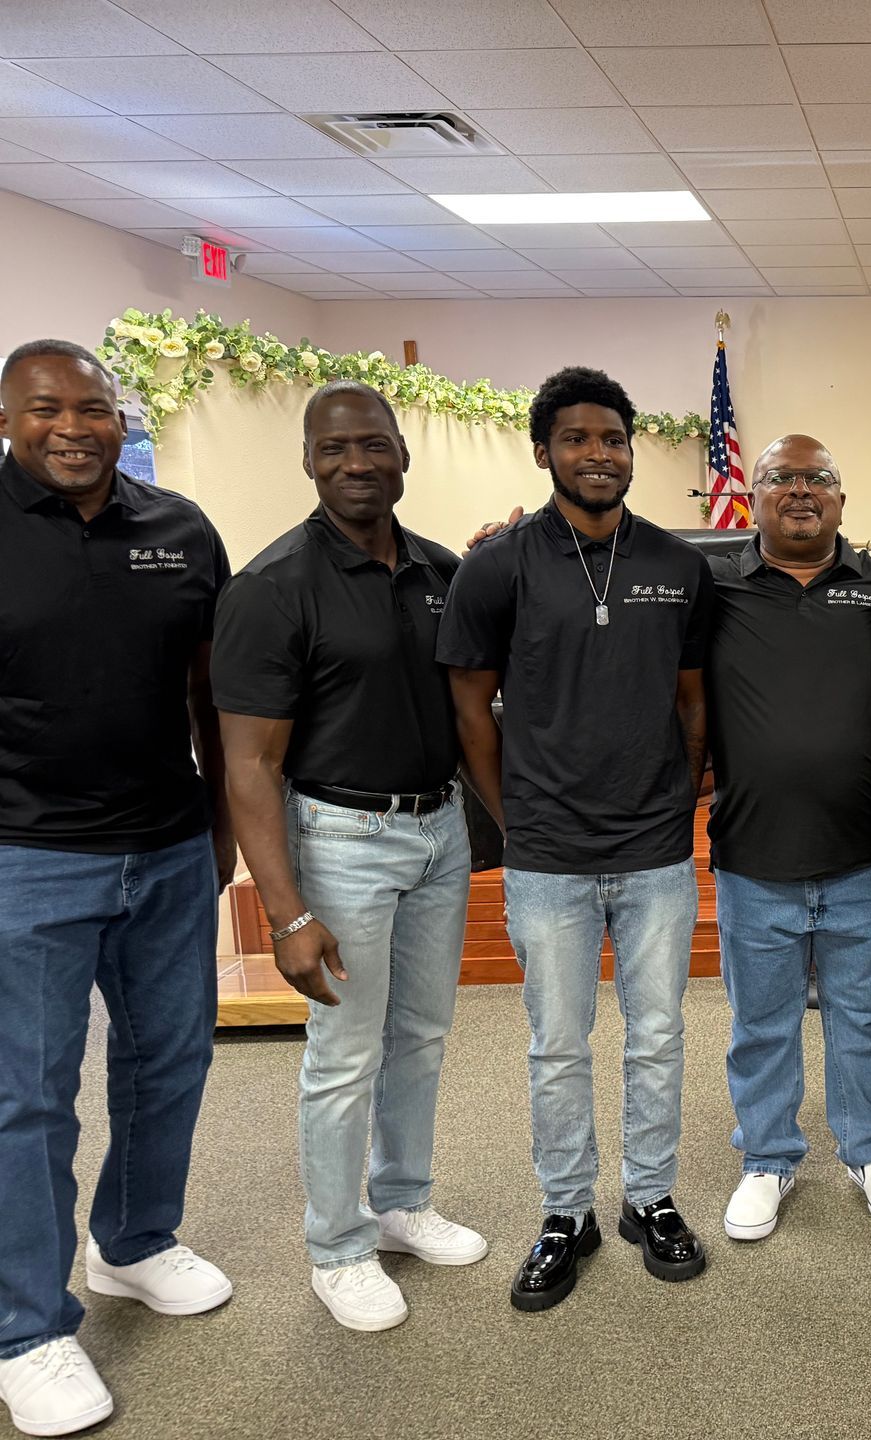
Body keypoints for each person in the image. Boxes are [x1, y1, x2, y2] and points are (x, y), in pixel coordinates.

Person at [438, 366, 714, 1312]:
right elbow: (470, 707)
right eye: (579, 439)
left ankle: (651, 1197)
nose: (599, 455)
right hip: (546, 855)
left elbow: (691, 699)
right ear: (544, 450)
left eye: (614, 439)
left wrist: (678, 802)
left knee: (660, 1032)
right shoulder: (497, 566)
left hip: (655, 852)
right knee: (558, 1043)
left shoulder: (678, 566)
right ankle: (566, 1212)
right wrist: (513, 817)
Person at [214, 381, 486, 1334]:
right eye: (334, 451)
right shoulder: (273, 586)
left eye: (373, 446)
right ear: (307, 461)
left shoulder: (440, 571)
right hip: (340, 841)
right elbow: (248, 764)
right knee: (344, 1053)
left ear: (403, 454)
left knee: (420, 1034)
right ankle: (338, 1246)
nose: (357, 465)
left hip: (439, 833)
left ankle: (401, 1200)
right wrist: (286, 912)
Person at [0, 339, 234, 1437]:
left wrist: (224, 826)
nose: (72, 428)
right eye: (46, 409)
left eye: (92, 407)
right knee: (29, 1097)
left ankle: (133, 1241)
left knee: (169, 1058)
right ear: (9, 417)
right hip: (26, 857)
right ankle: (25, 1329)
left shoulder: (178, 531)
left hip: (169, 847)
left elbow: (209, 697)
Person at [705, 435, 871, 1242]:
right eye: (782, 478)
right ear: (753, 494)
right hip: (753, 856)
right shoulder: (713, 586)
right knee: (761, 1020)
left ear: (841, 497)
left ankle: (870, 1151)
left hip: (865, 851)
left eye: (819, 478)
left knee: (865, 1017)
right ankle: (767, 1156)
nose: (801, 491)